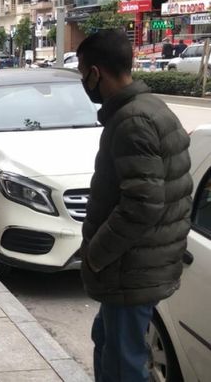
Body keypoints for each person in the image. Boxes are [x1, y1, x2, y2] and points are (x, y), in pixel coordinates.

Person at [76, 29, 192, 382]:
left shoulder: (132, 121)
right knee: (107, 341)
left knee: (124, 364)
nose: (84, 82)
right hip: (137, 265)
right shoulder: (147, 108)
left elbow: (142, 205)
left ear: (97, 72)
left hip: (131, 269)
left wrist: (96, 253)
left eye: (83, 74)